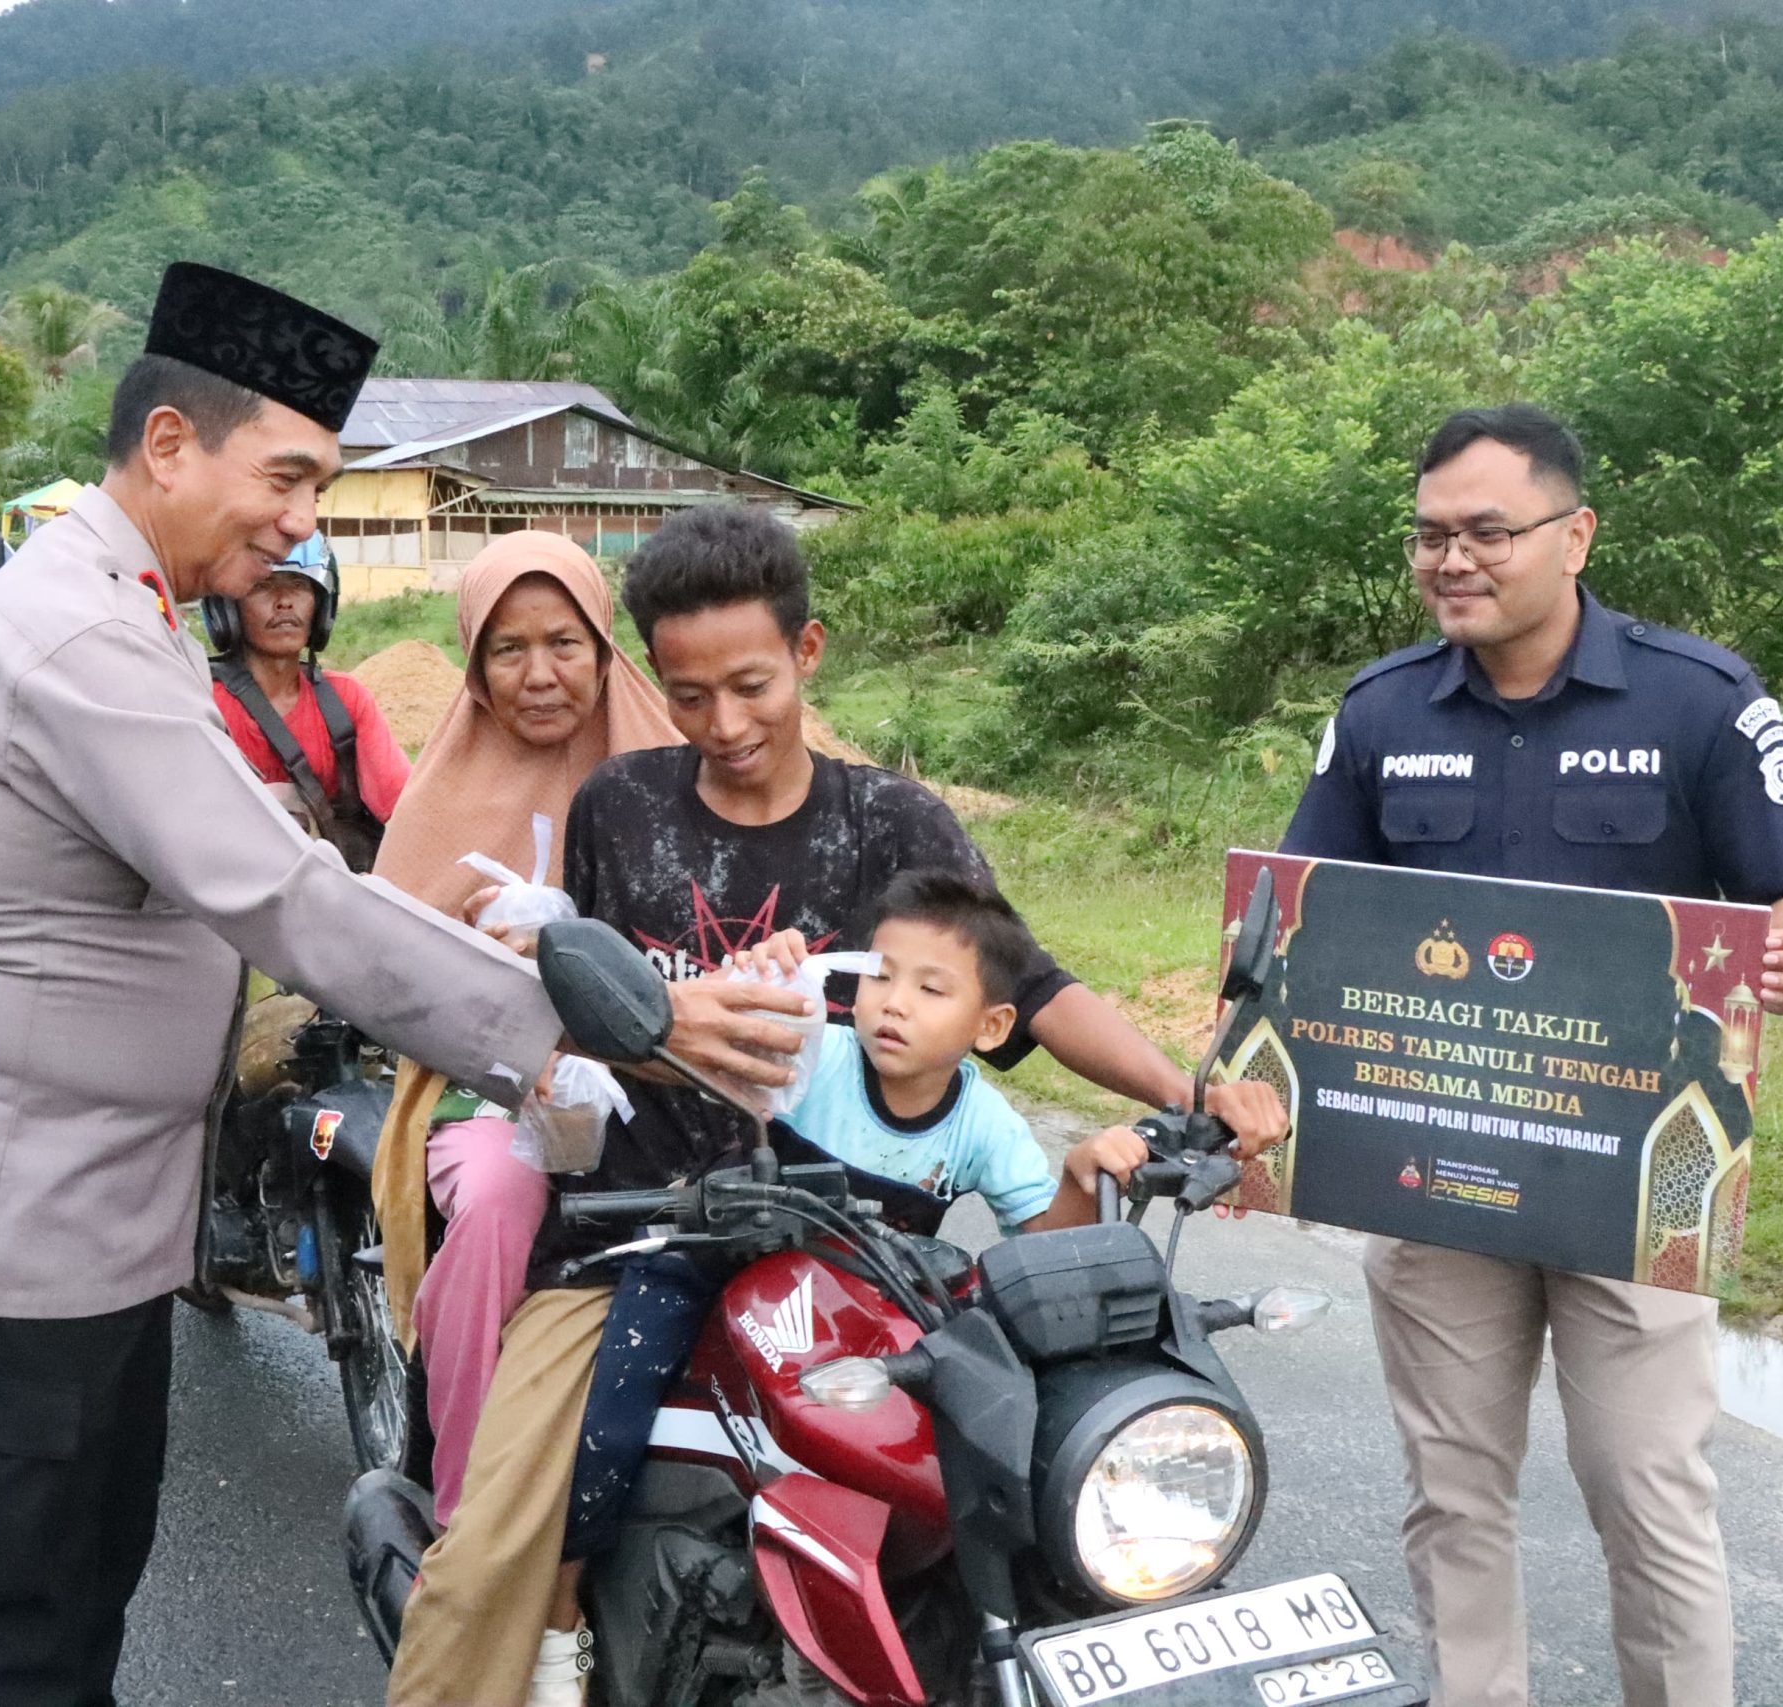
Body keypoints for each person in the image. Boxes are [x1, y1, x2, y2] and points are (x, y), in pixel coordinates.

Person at [0, 264, 800, 1707]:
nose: (302, 520)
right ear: (171, 443)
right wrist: (607, 1029)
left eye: (321, 484)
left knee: (66, 1617)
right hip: (6, 1238)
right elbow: (285, 893)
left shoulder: (137, 606)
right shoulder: (77, 634)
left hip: (85, 1231)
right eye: (285, 476)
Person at [387, 505, 1288, 1707]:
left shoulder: (891, 825)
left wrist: (1189, 1094)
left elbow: (1025, 985)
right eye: (691, 694)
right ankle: (538, 1646)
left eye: (752, 685)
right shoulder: (621, 806)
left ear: (807, 654)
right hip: (639, 1226)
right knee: (507, 1524)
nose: (726, 724)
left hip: (861, 1252)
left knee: (1025, 1467)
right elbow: (586, 1008)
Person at [1280, 403, 1783, 1707]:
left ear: (1575, 532)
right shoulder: (1378, 713)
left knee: (1648, 1489)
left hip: (1636, 1172)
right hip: (1433, 1166)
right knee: (1452, 1486)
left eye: (1488, 529)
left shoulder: (1701, 698)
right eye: (1431, 535)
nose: (1453, 559)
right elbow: (1296, 913)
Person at [560, 870, 1164, 1564]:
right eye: (881, 977)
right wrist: (763, 974)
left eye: (930, 989)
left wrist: (1080, 1175)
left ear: (992, 1025)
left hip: (858, 1309)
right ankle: (564, 1602)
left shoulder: (985, 1124)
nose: (894, 1005)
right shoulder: (813, 1056)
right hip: (712, 1259)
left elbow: (1038, 1249)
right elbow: (738, 1034)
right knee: (611, 1418)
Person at [365, 529, 684, 1526]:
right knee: (502, 1200)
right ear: (473, 663)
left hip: (668, 1081)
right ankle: (466, 1513)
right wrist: (517, 1034)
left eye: (564, 643)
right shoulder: (441, 796)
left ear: (603, 649)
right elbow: (392, 967)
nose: (540, 674)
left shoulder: (667, 770)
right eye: (508, 649)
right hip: (488, 1091)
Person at [206, 533, 410, 870]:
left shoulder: (344, 700)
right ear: (228, 607)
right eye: (263, 586)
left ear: (321, 604)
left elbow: (404, 811)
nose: (285, 601)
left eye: (299, 586)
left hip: (329, 897)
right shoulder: (202, 700)